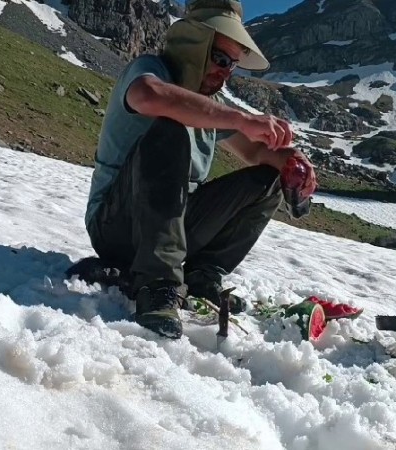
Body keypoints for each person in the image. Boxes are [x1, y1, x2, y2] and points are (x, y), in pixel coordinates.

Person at [84, 0, 317, 339]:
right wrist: (241, 119)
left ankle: (202, 275)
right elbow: (149, 96)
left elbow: (255, 151)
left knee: (267, 179)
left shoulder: (213, 107)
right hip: (115, 226)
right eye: (220, 59)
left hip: (174, 227)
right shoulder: (151, 71)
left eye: (232, 65)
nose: (226, 72)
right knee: (169, 130)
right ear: (194, 45)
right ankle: (157, 286)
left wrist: (293, 162)